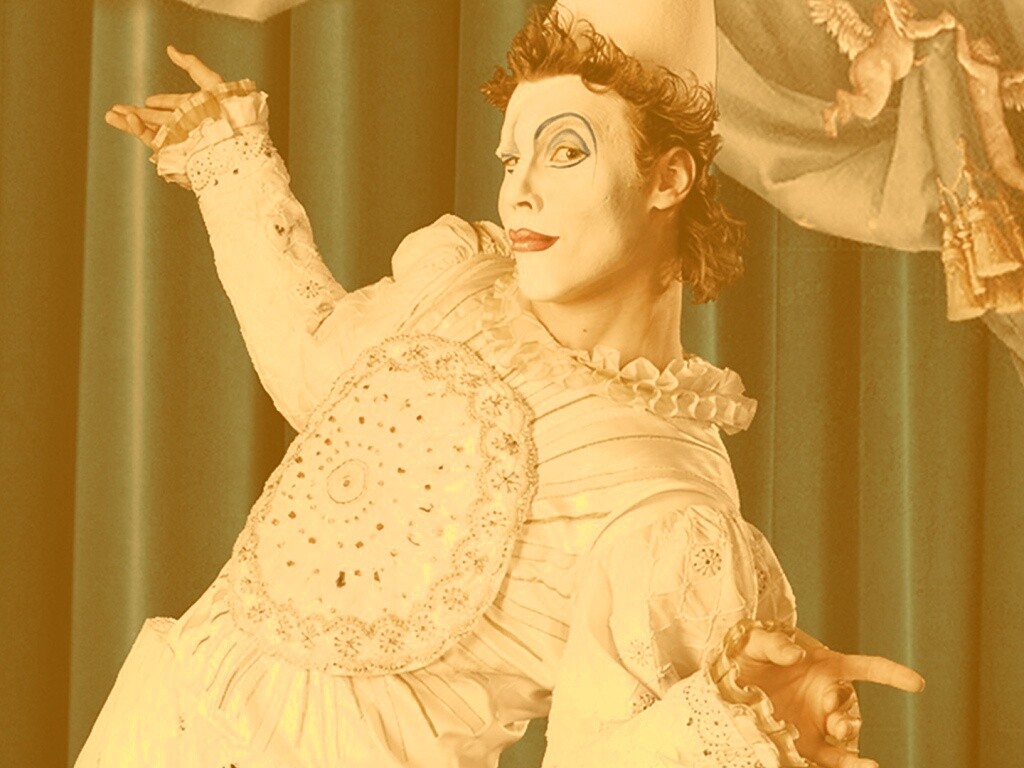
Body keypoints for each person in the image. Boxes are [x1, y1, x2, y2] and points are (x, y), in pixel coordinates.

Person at [87, 5, 924, 767]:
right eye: (512, 157)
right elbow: (317, 373)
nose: (520, 189)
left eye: (565, 152)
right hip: (150, 735)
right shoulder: (464, 288)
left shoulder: (665, 502)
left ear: (669, 179)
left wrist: (740, 718)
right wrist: (229, 162)